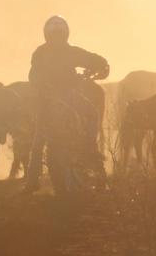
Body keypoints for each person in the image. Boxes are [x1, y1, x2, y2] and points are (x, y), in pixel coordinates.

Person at [24, 15, 109, 194]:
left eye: (59, 34)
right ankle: (32, 180)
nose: (57, 37)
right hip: (48, 100)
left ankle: (88, 148)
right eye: (55, 34)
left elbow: (94, 60)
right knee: (39, 137)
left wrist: (102, 66)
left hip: (68, 96)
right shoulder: (43, 53)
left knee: (90, 115)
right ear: (48, 35)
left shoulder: (65, 52)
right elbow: (33, 77)